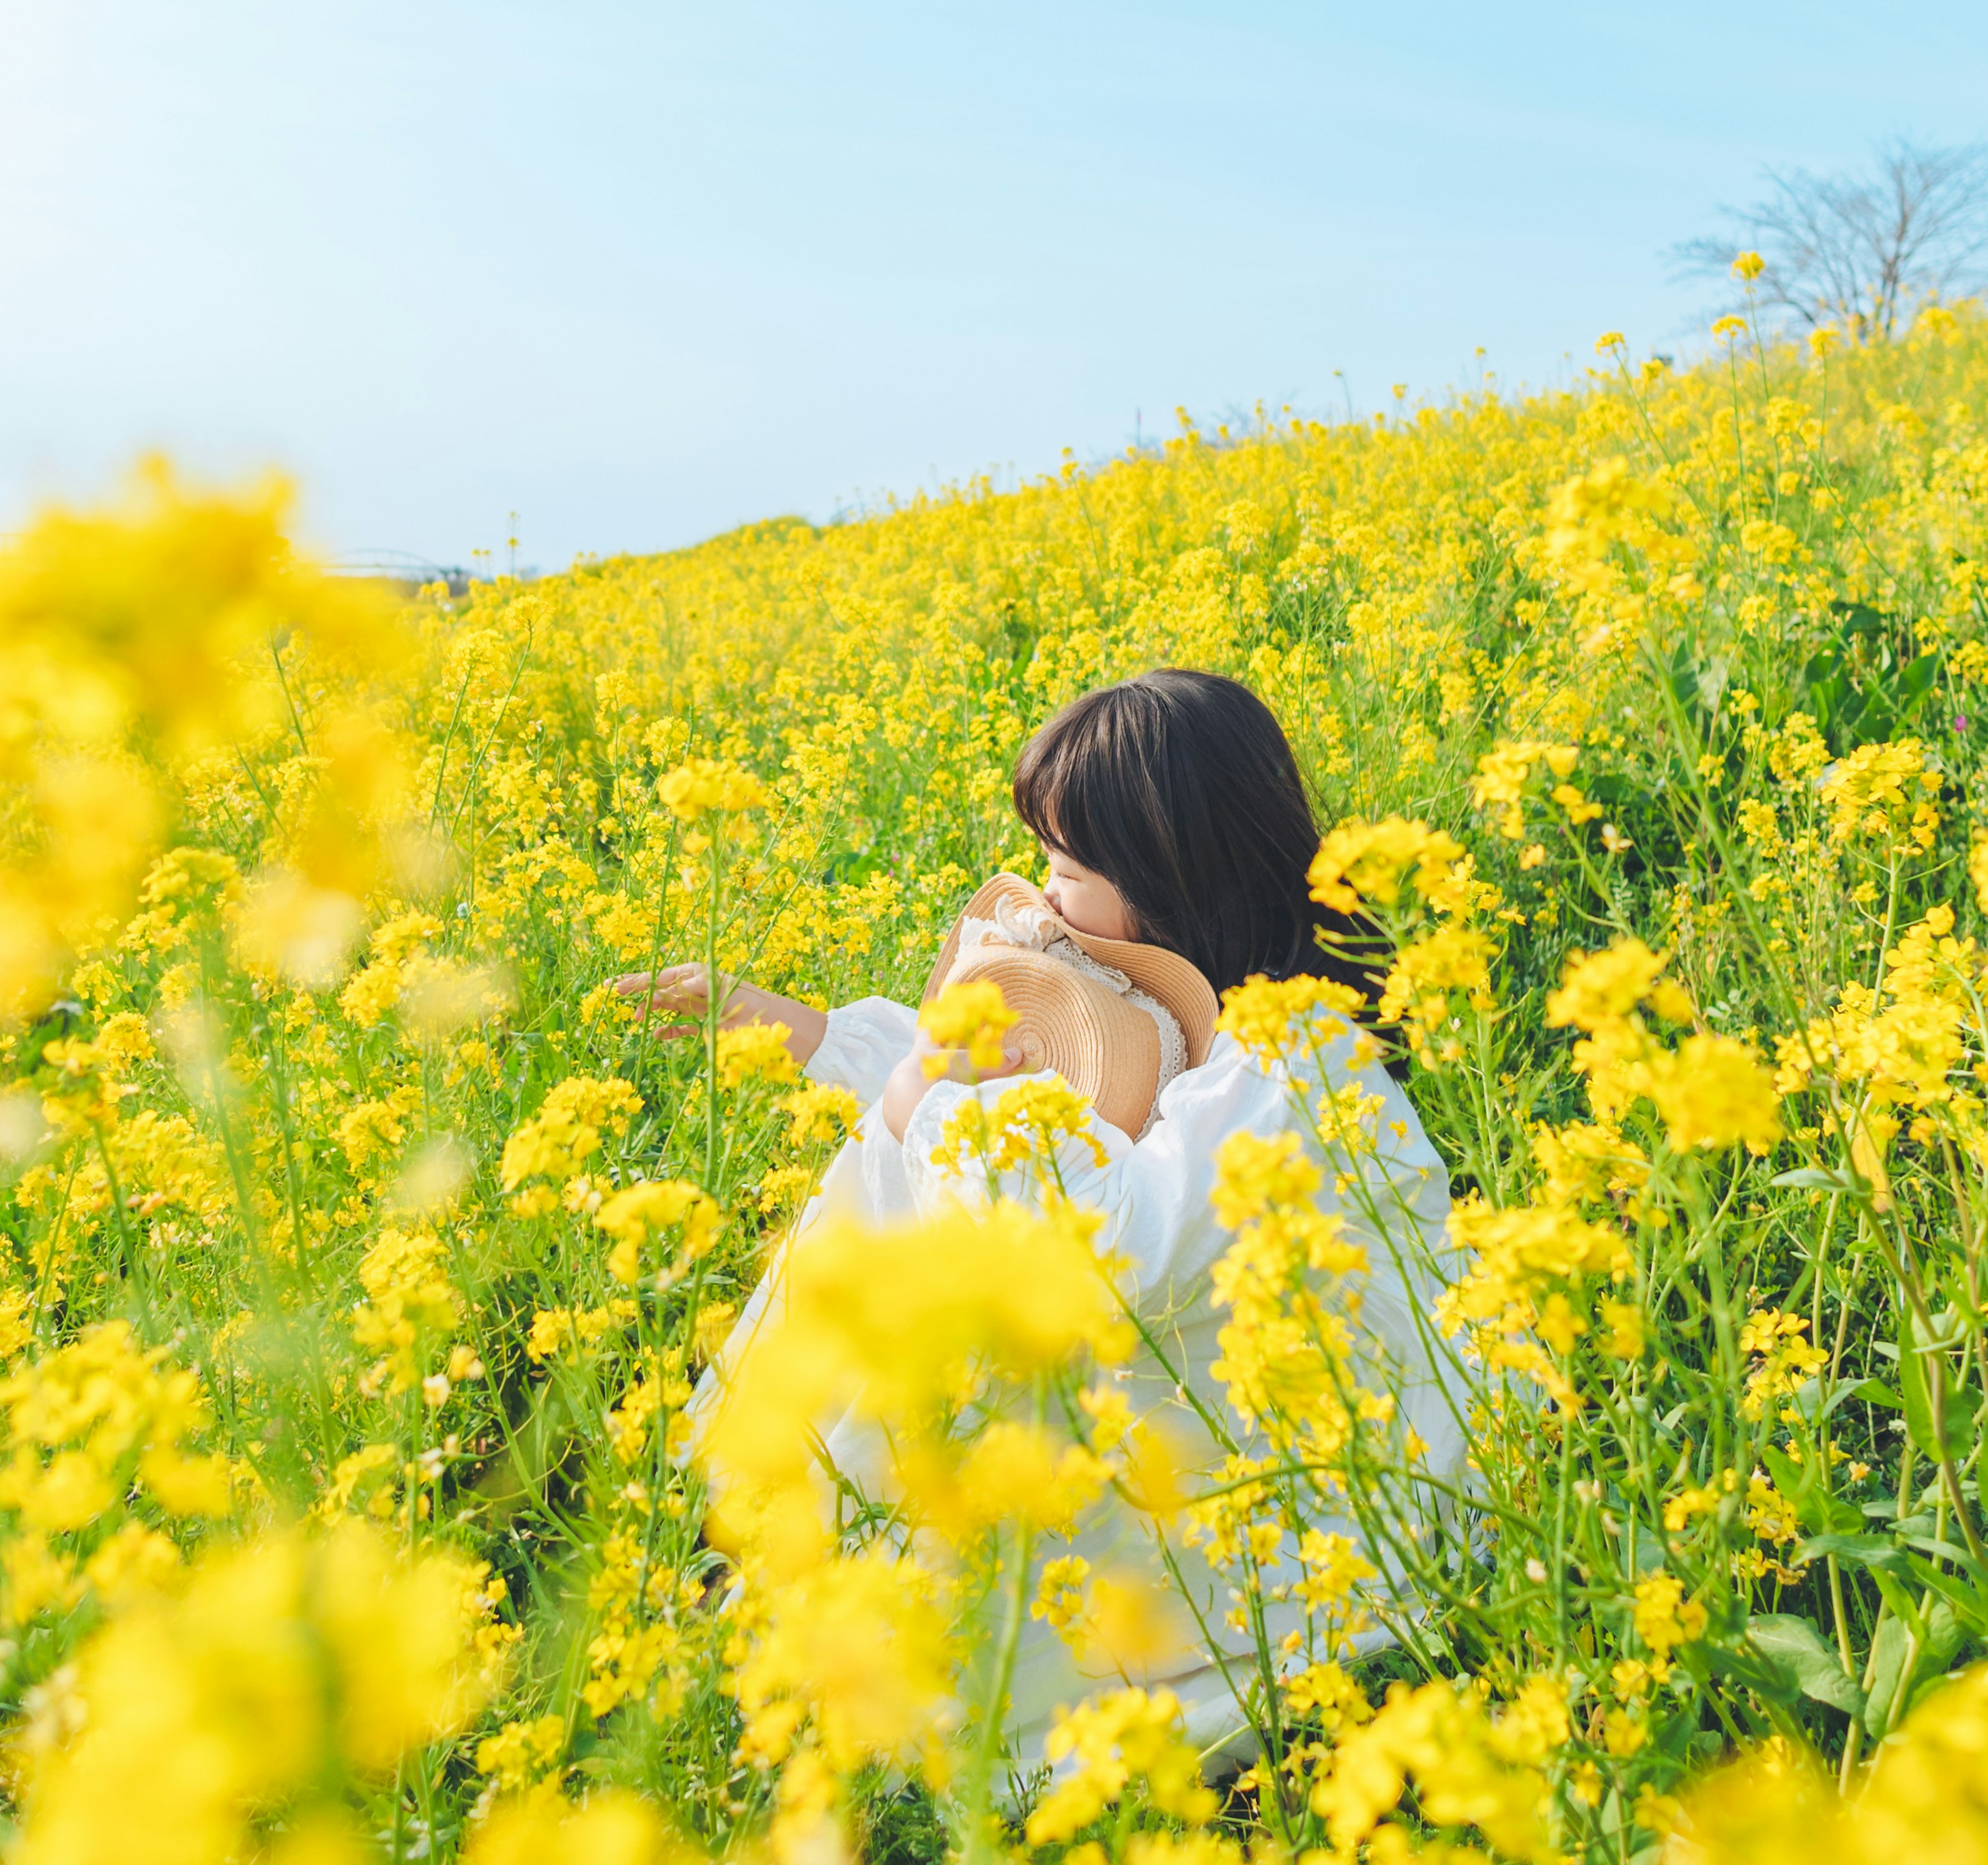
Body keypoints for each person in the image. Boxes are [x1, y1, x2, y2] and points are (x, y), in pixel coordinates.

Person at [622, 668, 1467, 1763]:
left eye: (1068, 871)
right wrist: (817, 1034)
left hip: (1289, 1496)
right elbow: (1063, 1077)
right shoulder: (1217, 1016)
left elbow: (1106, 1251)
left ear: (1174, 875)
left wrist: (948, 1105)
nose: (1046, 900)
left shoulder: (1295, 1068)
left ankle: (810, 1585)